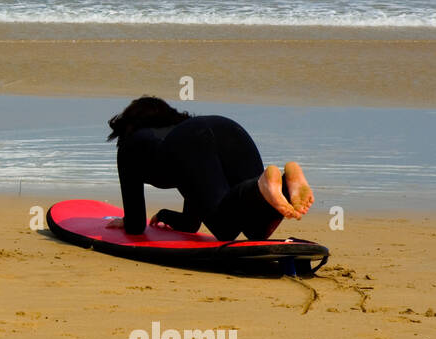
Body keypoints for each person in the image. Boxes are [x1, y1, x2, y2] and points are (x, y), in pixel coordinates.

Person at [104, 96, 315, 240]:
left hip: (194, 141)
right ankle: (285, 184)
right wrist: (165, 215)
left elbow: (135, 226)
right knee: (256, 229)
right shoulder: (180, 131)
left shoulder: (131, 146)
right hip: (229, 129)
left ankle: (262, 184)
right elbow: (191, 219)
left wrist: (127, 222)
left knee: (226, 229)